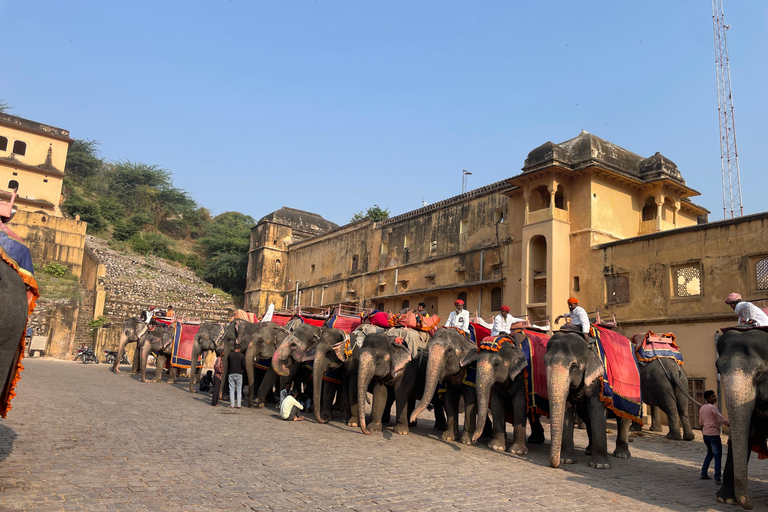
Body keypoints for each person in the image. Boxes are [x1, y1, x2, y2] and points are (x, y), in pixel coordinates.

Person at [699, 390, 729, 484]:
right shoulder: (713, 408)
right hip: (714, 434)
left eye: (715, 396)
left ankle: (704, 473)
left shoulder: (702, 408)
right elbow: (720, 418)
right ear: (708, 398)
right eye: (713, 396)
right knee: (717, 456)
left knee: (710, 454)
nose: (715, 397)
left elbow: (700, 422)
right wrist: (729, 424)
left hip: (706, 434)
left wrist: (703, 431)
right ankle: (717, 477)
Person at [227, 344, 246, 409]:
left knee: (231, 389)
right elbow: (244, 365)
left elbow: (228, 364)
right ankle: (238, 404)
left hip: (231, 373)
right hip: (239, 373)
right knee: (239, 389)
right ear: (239, 349)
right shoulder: (242, 356)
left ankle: (232, 404)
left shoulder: (230, 355)